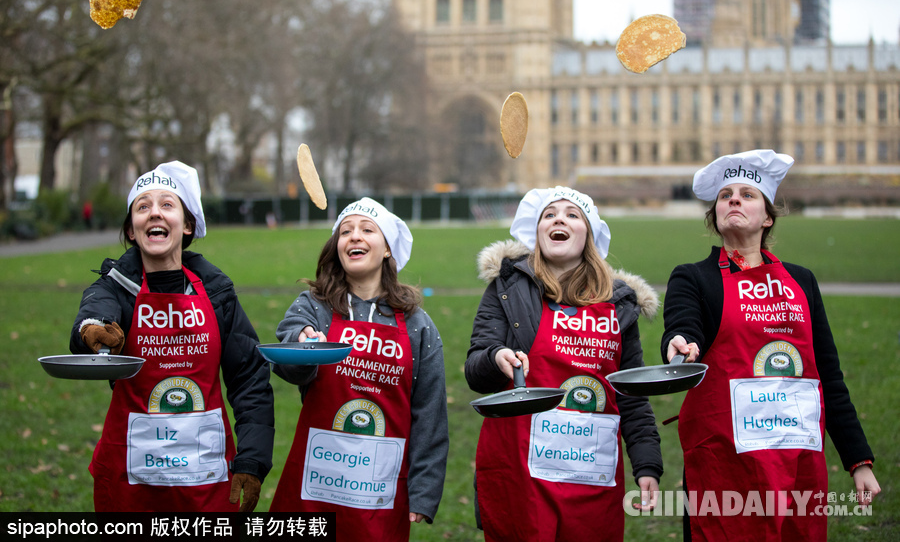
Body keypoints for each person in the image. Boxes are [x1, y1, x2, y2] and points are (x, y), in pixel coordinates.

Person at [662, 149, 881, 541]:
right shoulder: (694, 278)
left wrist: (858, 460)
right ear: (715, 217)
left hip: (796, 458)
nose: (733, 198)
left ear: (767, 217)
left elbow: (827, 375)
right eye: (726, 194)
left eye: (747, 194)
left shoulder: (802, 281)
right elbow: (682, 324)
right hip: (724, 458)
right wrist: (680, 343)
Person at [69, 160, 274, 512]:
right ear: (132, 230)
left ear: (188, 223)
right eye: (143, 206)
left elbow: (249, 380)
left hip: (206, 478)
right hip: (131, 479)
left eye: (167, 205)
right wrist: (93, 329)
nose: (154, 214)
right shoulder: (116, 287)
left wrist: (253, 460)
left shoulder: (216, 292)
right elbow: (95, 312)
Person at [466, 186, 663, 542]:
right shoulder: (507, 287)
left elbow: (631, 393)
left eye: (572, 215)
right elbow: (475, 373)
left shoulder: (619, 304)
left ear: (588, 235)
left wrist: (647, 462)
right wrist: (496, 358)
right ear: (537, 233)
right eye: (549, 214)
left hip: (592, 471)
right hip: (520, 471)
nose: (559, 219)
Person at [270, 197, 449, 540]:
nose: (354, 236)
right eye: (345, 231)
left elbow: (430, 411)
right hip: (314, 483)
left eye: (367, 229)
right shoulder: (314, 306)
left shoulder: (417, 324)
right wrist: (302, 342)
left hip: (380, 489)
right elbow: (287, 364)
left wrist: (425, 488)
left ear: (386, 249)